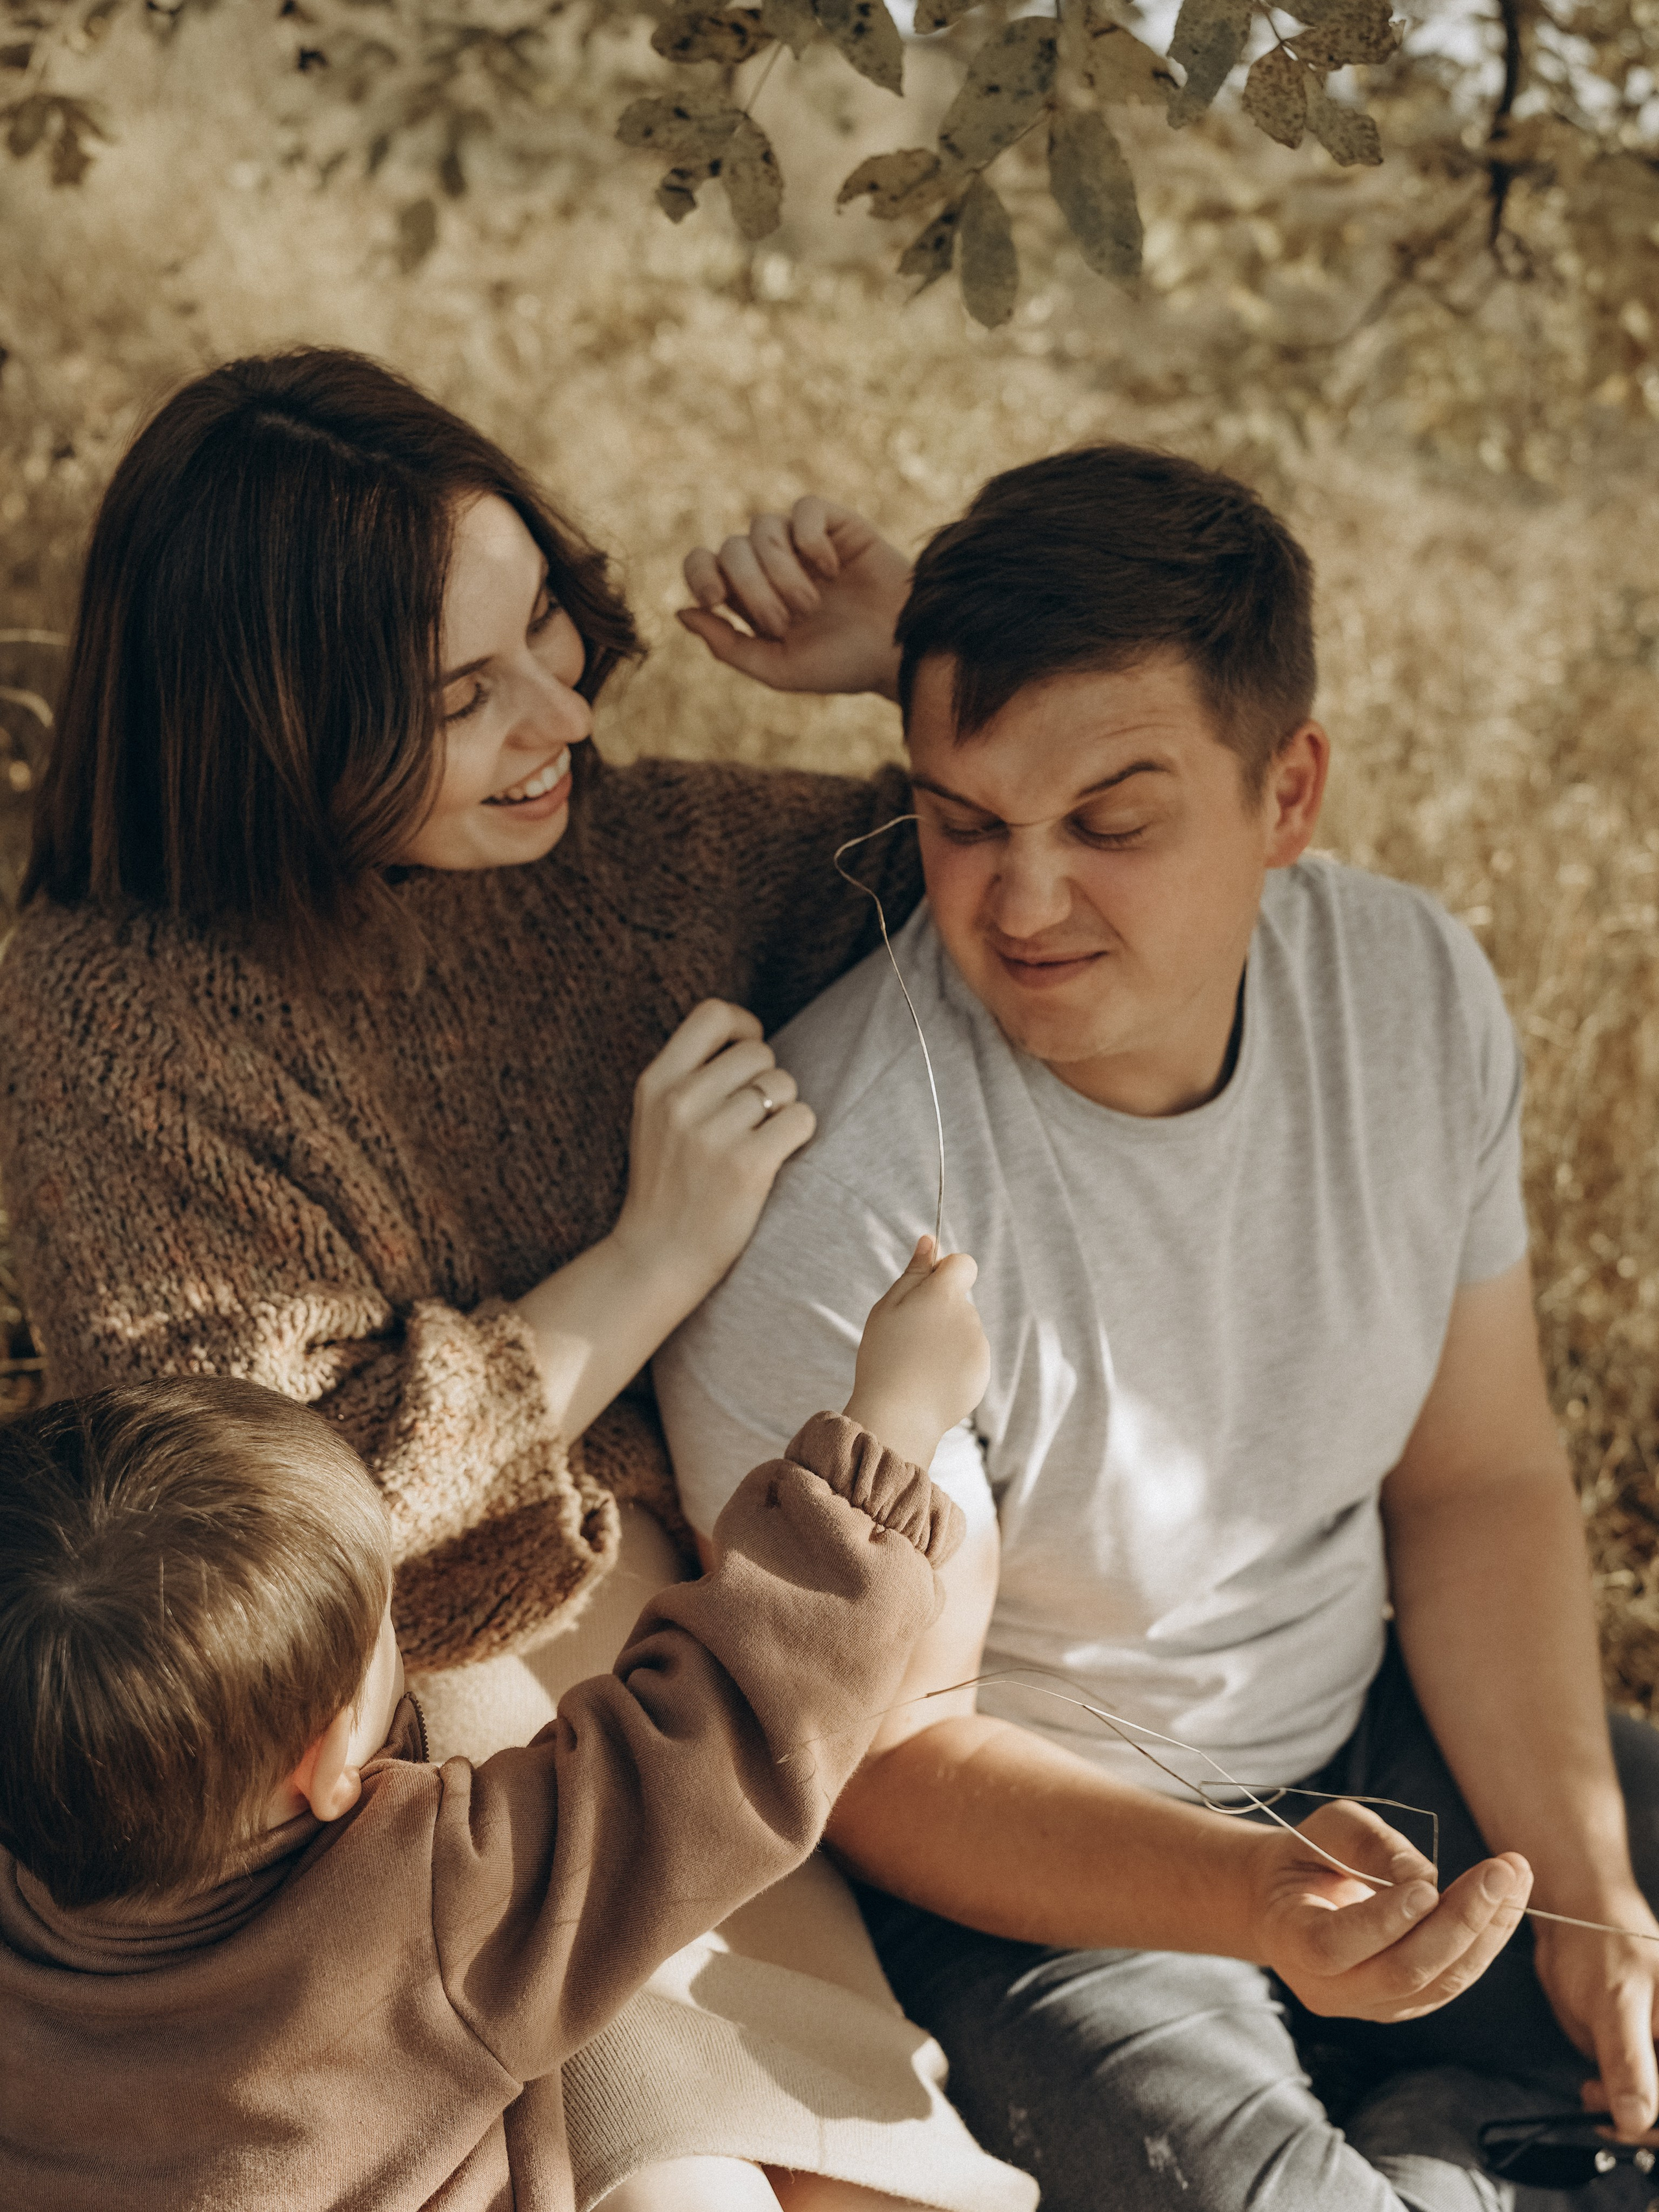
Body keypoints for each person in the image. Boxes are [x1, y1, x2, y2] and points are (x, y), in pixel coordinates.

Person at [0, 349, 1034, 2212]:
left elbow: (1015, 881)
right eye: (462, 695)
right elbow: (292, 1520)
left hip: (718, 1564)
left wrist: (925, 669)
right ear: (274, 721)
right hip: (415, 1667)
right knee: (684, 2175)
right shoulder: (109, 1011)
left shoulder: (611, 847)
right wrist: (651, 1257)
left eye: (548, 622)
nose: (560, 711)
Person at [656, 443, 1659, 2212]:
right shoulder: (846, 1173)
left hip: (1386, 1729)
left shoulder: (1414, 991)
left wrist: (1585, 1878)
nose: (1023, 902)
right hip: (1047, 1872)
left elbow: (1481, 1481)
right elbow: (892, 1758)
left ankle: (1451, 2117)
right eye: (965, 822)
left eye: (1109, 823)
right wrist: (1253, 1898)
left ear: (1291, 793)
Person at [0, 1238, 992, 2212]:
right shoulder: (417, 1910)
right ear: (331, 1758)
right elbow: (702, 1747)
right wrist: (893, 1427)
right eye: (387, 1628)